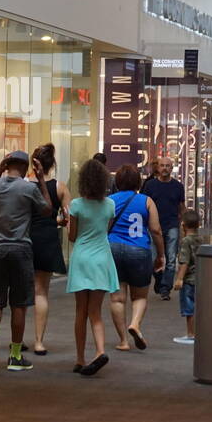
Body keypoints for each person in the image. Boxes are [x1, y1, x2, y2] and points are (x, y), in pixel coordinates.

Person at [0, 151, 52, 373]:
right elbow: (47, 210)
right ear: (27, 165)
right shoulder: (29, 188)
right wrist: (41, 180)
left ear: (6, 164)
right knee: (19, 303)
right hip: (21, 249)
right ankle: (15, 356)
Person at [65, 158, 120, 376]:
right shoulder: (110, 205)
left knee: (81, 311)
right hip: (102, 257)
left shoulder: (76, 205)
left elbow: (72, 236)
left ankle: (80, 358)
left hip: (81, 257)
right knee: (96, 311)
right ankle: (100, 351)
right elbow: (106, 230)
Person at [108, 165, 165, 351]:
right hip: (139, 250)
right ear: (137, 181)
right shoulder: (147, 201)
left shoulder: (110, 201)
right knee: (140, 296)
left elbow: (104, 226)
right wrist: (161, 255)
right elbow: (156, 230)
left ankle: (123, 341)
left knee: (117, 298)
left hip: (113, 248)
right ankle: (135, 324)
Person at [26, 143, 70, 356]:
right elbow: (68, 217)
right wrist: (58, 221)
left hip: (24, 239)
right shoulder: (60, 187)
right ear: (52, 164)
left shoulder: (22, 185)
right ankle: (39, 342)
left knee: (21, 292)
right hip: (48, 239)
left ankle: (19, 338)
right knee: (41, 292)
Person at [141, 156, 185, 300]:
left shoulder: (178, 186)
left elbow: (181, 207)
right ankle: (159, 279)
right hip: (153, 225)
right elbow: (143, 205)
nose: (165, 168)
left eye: (168, 166)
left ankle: (166, 288)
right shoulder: (150, 185)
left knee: (171, 258)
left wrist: (185, 224)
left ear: (172, 169)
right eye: (162, 165)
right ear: (157, 168)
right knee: (154, 258)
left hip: (172, 225)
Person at [171, 209, 204, 344]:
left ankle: (191, 334)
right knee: (198, 307)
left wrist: (179, 279)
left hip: (189, 280)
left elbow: (184, 261)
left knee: (188, 308)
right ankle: (199, 333)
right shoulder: (201, 240)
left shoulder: (185, 241)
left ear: (183, 225)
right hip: (200, 279)